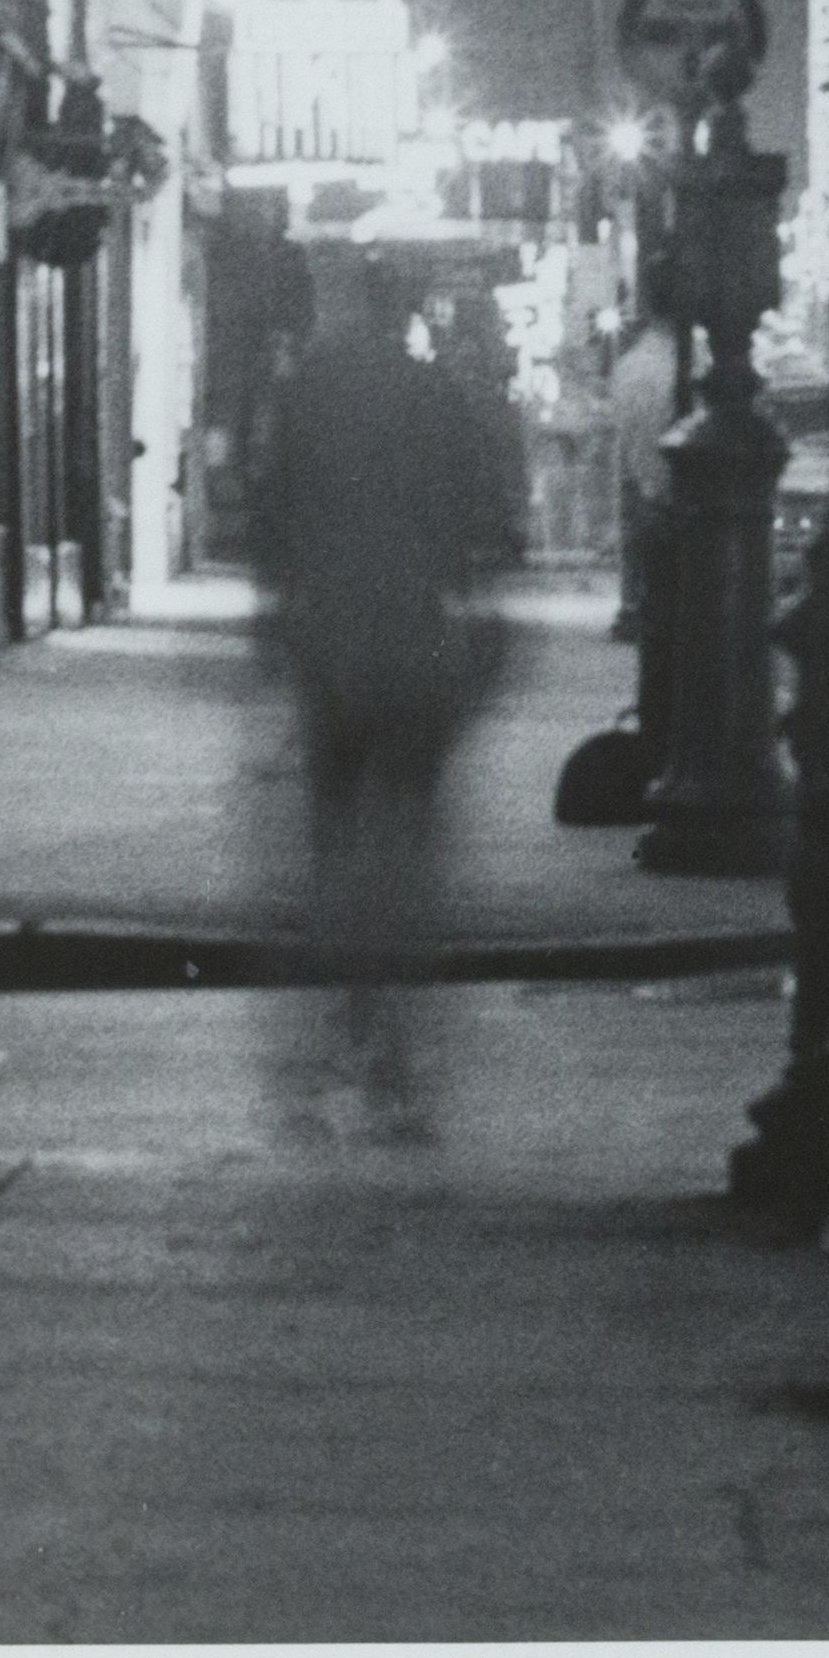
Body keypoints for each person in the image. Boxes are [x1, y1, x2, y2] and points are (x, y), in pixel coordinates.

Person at [255, 251, 518, 1134]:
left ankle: (336, 1026)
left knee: (331, 836)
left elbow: (272, 511)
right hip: (412, 634)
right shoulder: (435, 396)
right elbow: (486, 521)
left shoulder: (310, 393)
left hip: (332, 635)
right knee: (407, 833)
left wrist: (275, 614)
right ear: (407, 314)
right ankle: (395, 1048)